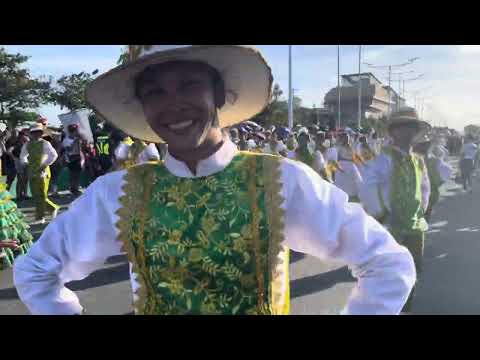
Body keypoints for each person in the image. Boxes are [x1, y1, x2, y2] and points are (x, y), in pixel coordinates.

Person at [14, 45, 415, 315]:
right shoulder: (118, 192)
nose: (173, 104)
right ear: (143, 107)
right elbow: (35, 270)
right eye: (154, 92)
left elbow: (387, 263)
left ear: (219, 94)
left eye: (188, 85)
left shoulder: (279, 179)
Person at [358, 107, 431, 313]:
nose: (406, 132)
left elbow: (424, 187)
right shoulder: (384, 158)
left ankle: (405, 309)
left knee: (412, 272)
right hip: (391, 227)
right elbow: (368, 185)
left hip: (415, 228)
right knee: (391, 275)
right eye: (402, 127)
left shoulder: (418, 160)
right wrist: (382, 213)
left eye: (411, 127)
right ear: (393, 131)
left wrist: (420, 211)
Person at [20, 124, 59, 225]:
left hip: (43, 172)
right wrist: (26, 163)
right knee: (36, 196)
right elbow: (22, 156)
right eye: (34, 132)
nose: (36, 134)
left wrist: (44, 165)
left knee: (41, 195)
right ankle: (52, 208)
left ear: (41, 133)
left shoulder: (45, 143)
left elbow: (54, 155)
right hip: (32, 172)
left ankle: (40, 217)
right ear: (31, 134)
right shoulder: (27, 144)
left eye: (39, 132)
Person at [413, 137, 453, 222]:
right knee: (424, 216)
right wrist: (438, 182)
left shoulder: (408, 159)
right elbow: (448, 171)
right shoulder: (435, 161)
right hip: (429, 194)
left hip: (413, 194)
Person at [334, 132, 364, 203]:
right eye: (345, 138)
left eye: (347, 138)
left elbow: (354, 156)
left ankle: (353, 198)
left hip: (351, 166)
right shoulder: (338, 147)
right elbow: (337, 158)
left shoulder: (351, 146)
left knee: (354, 183)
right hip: (342, 165)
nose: (347, 139)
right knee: (342, 184)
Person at [62, 124, 87, 196]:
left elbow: (84, 146)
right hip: (71, 159)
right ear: (71, 131)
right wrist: (75, 142)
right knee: (73, 174)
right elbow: (69, 149)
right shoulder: (66, 140)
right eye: (75, 131)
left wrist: (82, 139)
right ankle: (73, 188)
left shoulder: (78, 139)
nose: (77, 132)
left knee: (78, 174)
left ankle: (75, 188)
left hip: (78, 158)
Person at [11, 132, 30, 200]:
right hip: (19, 161)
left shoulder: (26, 143)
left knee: (26, 179)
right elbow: (10, 151)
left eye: (24, 135)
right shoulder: (16, 143)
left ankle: (25, 194)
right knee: (20, 179)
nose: (23, 137)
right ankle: (18, 195)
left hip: (26, 161)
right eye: (22, 136)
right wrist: (15, 159)